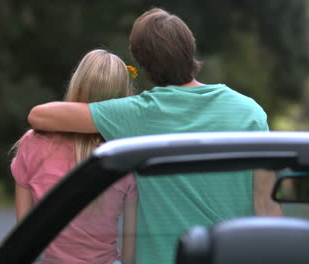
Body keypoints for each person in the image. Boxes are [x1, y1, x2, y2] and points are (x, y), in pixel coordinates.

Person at [27, 8, 282, 264]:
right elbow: (267, 208)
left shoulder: (136, 114)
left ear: (142, 63)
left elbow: (40, 116)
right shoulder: (250, 112)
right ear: (190, 48)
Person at [11, 49, 138, 264]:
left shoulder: (33, 143)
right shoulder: (125, 154)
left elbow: (23, 240)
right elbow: (129, 252)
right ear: (122, 97)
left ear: (76, 84)